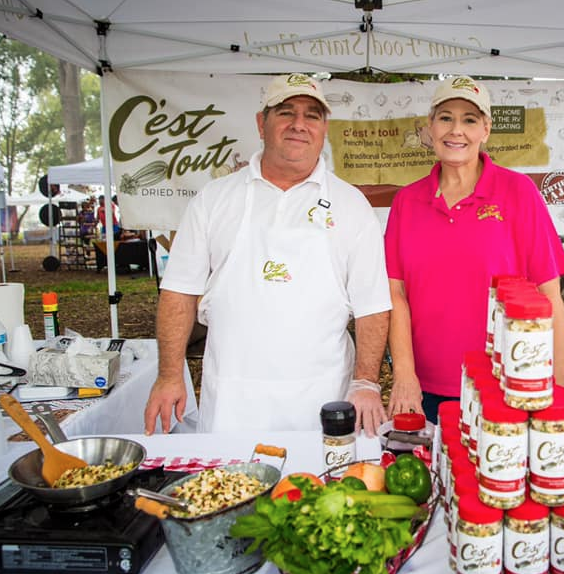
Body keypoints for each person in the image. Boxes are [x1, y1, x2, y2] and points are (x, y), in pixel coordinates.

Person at [144, 74, 391, 436]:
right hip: (232, 399)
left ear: (324, 128)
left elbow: (372, 305)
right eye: (285, 113)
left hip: (322, 399)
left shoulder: (352, 205)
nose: (298, 125)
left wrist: (366, 383)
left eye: (312, 116)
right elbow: (179, 292)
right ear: (262, 123)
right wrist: (168, 376)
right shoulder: (213, 199)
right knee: (231, 488)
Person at [384, 76, 564, 423]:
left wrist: (560, 378)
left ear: (485, 130)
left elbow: (550, 294)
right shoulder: (406, 202)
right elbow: (396, 295)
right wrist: (404, 376)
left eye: (469, 120)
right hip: (426, 391)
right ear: (430, 127)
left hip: (506, 384)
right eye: (446, 117)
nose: (456, 130)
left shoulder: (519, 193)